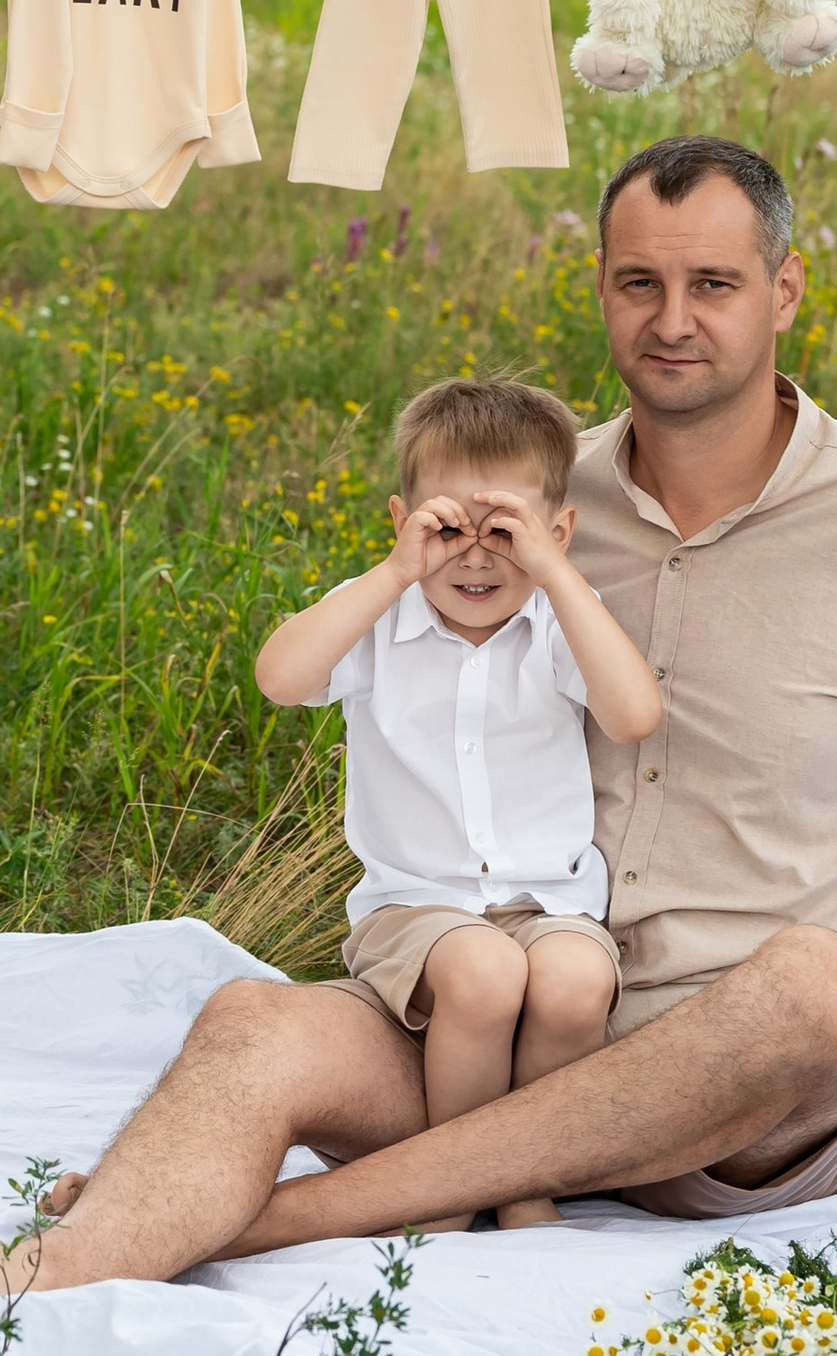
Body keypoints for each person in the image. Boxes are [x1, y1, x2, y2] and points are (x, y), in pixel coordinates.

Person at [0, 132, 837, 1338]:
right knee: (254, 1022)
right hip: (505, 1030)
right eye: (637, 281)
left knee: (823, 988)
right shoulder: (526, 501)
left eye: (714, 283)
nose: (672, 320)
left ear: (785, 291)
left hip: (740, 1096)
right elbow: (359, 669)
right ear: (600, 289)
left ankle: (285, 1217)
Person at [254, 374, 662, 1233]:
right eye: (447, 529)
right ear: (405, 523)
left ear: (558, 533)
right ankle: (448, 1186)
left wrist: (553, 574)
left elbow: (632, 715)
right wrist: (397, 568)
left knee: (577, 981)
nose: (475, 556)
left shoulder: (557, 623)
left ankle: (524, 1176)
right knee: (482, 972)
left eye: (505, 532)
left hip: (546, 900)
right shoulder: (379, 621)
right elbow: (281, 679)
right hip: (417, 907)